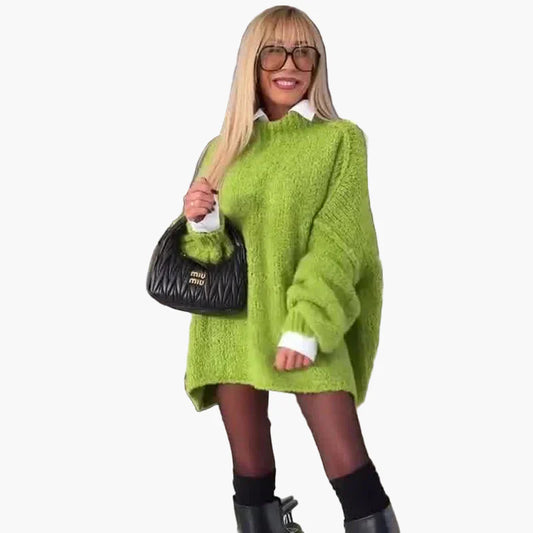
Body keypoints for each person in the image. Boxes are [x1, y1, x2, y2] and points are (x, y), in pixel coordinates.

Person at [178, 6, 400, 533]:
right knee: (251, 477)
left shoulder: (339, 140)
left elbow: (340, 244)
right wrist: (202, 223)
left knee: (352, 476)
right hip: (230, 329)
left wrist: (305, 326)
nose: (290, 65)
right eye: (273, 52)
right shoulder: (221, 149)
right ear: (251, 63)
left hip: (306, 323)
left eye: (304, 52)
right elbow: (203, 266)